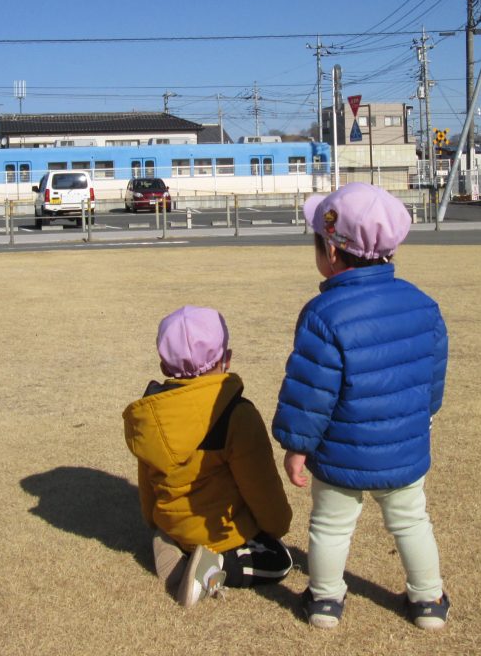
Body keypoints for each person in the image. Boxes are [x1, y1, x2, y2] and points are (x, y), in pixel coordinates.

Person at [272, 182, 450, 630]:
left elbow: (311, 392)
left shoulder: (323, 314)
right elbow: (431, 376)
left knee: (331, 526)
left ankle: (325, 601)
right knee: (411, 521)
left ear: (332, 251)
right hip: (403, 445)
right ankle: (428, 600)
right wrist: (425, 415)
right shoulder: (423, 305)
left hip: (339, 449)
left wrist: (297, 446)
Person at [123, 305, 293, 608]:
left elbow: (147, 482)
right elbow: (261, 487)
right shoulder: (236, 414)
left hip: (172, 525)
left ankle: (173, 544)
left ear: (164, 367)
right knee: (280, 559)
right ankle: (215, 566)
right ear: (226, 358)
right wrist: (277, 526)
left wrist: (153, 521)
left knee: (176, 532)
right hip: (220, 534)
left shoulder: (149, 413)